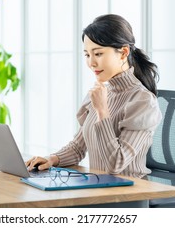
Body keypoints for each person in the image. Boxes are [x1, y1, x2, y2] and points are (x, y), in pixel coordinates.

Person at [25, 14, 162, 178]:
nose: (91, 63)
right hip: (97, 186)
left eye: (98, 54)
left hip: (129, 194)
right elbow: (78, 147)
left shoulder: (143, 101)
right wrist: (51, 159)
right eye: (87, 55)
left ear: (123, 52)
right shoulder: (100, 93)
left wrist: (102, 111)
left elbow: (116, 164)